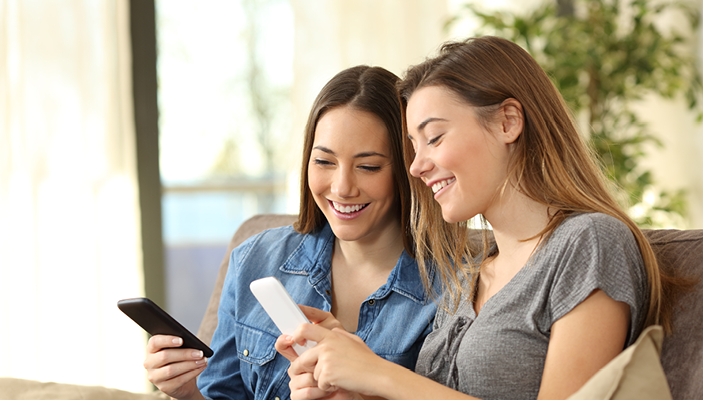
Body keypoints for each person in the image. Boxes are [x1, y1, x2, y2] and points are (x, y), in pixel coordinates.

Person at [275, 36, 677, 400]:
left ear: (507, 122)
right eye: (413, 146)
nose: (416, 167)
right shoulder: (470, 277)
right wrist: (355, 382)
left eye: (433, 138)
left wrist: (379, 374)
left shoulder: (589, 242)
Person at [142, 65, 439, 400]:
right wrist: (186, 390)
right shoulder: (254, 259)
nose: (341, 188)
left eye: (368, 166)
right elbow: (221, 395)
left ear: (407, 168)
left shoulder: (451, 290)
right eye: (324, 162)